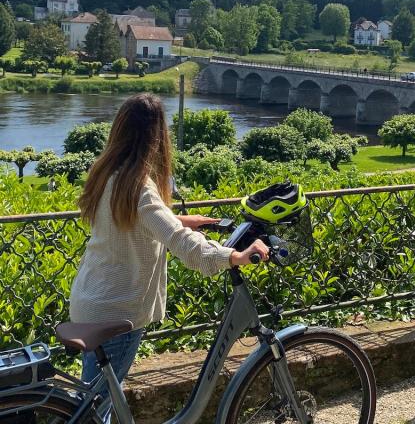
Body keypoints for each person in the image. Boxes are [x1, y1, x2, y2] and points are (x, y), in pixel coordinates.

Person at [69, 93, 268, 403]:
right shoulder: (139, 186)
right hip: (117, 310)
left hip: (91, 299)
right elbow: (181, 244)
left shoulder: (107, 173)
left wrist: (177, 220)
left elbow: (131, 221)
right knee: (98, 406)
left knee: (96, 401)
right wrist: (232, 256)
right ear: (156, 137)